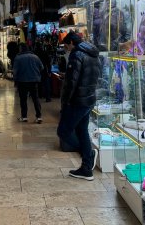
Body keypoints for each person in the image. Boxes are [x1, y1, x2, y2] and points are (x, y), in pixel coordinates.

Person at [57, 32, 100, 181]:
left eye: (66, 45)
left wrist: (65, 101)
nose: (66, 48)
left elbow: (71, 82)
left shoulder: (76, 55)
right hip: (89, 99)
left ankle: (89, 154)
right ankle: (86, 169)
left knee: (63, 132)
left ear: (71, 43)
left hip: (77, 101)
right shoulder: (93, 53)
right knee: (82, 131)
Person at [13, 43, 44, 123]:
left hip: (22, 81)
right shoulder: (35, 57)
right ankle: (39, 116)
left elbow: (15, 71)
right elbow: (42, 67)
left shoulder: (18, 58)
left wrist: (15, 81)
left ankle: (24, 117)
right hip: (34, 81)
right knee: (35, 99)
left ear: (21, 49)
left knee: (23, 99)